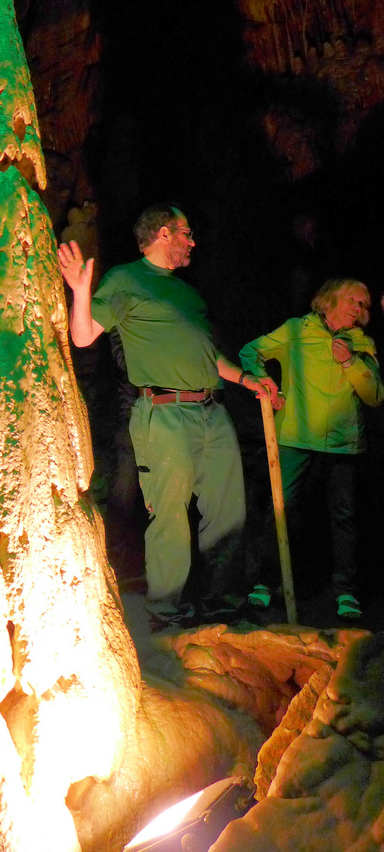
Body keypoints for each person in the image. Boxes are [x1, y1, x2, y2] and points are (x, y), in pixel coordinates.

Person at [58, 203, 278, 629]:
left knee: (229, 510)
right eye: (187, 233)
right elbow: (83, 337)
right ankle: (166, 608)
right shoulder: (126, 279)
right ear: (164, 233)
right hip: (164, 412)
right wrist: (80, 293)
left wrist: (246, 379)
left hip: (212, 411)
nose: (193, 242)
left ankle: (222, 602)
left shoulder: (188, 294)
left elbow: (209, 356)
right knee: (171, 514)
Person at [240, 279, 383, 620]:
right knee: (280, 509)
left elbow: (375, 396)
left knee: (344, 516)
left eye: (364, 305)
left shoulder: (362, 343)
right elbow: (251, 351)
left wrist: (351, 363)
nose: (359, 309)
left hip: (343, 443)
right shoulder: (297, 330)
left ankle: (345, 592)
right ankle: (265, 582)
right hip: (294, 437)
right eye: (353, 300)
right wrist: (264, 382)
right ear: (329, 301)